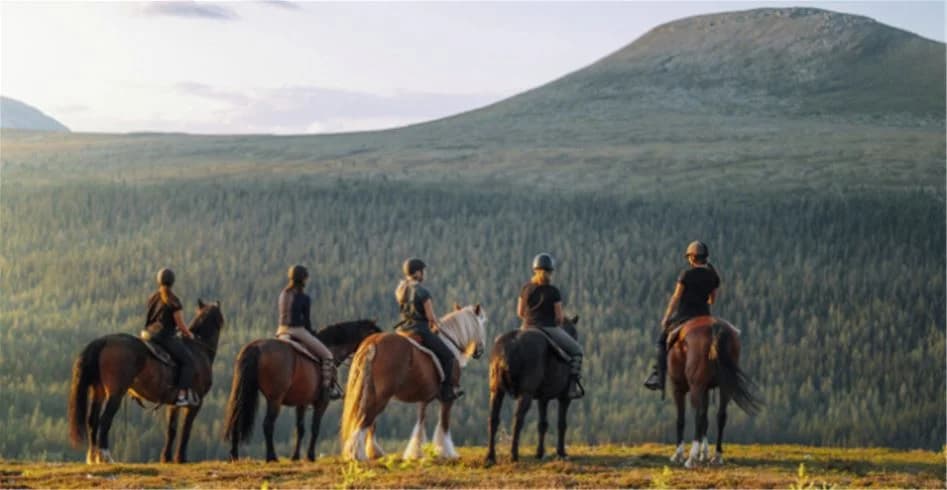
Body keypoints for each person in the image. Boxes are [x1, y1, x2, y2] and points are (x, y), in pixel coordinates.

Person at [644, 240, 721, 391]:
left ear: (692, 258)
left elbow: (676, 297)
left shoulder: (686, 274)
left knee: (661, 341)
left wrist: (667, 316)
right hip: (705, 317)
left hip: (685, 317)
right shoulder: (713, 276)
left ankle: (658, 376)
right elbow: (712, 300)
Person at [517, 253, 584, 399]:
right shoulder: (554, 291)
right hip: (548, 328)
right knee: (578, 351)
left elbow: (520, 312)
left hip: (526, 328)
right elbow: (559, 318)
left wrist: (529, 321)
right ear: (550, 272)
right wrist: (555, 323)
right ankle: (572, 386)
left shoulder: (526, 289)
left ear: (534, 270)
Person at [395, 258, 463, 402]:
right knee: (448, 356)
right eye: (422, 271)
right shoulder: (422, 292)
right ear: (417, 273)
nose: (424, 274)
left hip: (403, 330)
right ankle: (446, 391)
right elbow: (431, 318)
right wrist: (436, 326)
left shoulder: (401, 290)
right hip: (420, 330)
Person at [276, 265, 343, 400]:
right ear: (303, 279)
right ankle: (326, 390)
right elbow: (306, 323)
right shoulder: (304, 298)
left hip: (281, 330)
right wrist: (313, 334)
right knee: (327, 355)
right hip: (297, 330)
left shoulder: (283, 294)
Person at [144, 268, 198, 406]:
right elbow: (180, 325)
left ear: (159, 281)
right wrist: (189, 335)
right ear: (173, 282)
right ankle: (181, 396)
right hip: (163, 336)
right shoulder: (173, 301)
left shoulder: (153, 297)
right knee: (189, 362)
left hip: (147, 334)